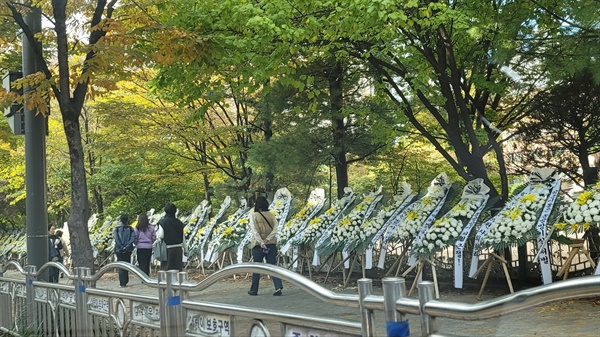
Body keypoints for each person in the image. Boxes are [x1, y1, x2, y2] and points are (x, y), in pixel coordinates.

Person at [247, 196, 283, 296]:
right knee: (272, 266)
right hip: (270, 245)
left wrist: (261, 242)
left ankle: (254, 290)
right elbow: (276, 229)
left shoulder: (253, 215)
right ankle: (278, 286)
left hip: (259, 246)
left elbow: (254, 231)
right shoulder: (271, 215)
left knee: (257, 268)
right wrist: (268, 239)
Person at [158, 203, 185, 271]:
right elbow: (183, 236)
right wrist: (185, 248)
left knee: (166, 269)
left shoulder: (162, 222)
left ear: (165, 211)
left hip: (167, 249)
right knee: (177, 269)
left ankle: (167, 282)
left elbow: (161, 235)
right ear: (175, 211)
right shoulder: (179, 222)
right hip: (178, 248)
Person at [113, 214, 136, 287]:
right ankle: (125, 280)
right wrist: (127, 246)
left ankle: (122, 282)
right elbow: (132, 238)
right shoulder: (131, 229)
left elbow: (116, 239)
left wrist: (121, 246)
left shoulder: (117, 229)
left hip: (119, 249)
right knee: (127, 264)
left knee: (121, 265)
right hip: (128, 250)